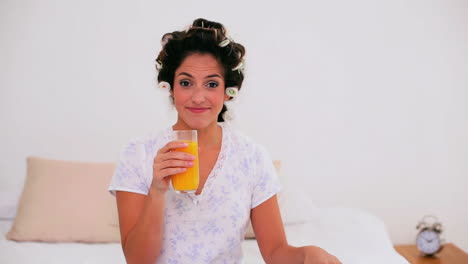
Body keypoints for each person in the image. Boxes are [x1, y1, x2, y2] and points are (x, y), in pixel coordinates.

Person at [108, 18, 342, 264]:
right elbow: (136, 260)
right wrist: (156, 190)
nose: (198, 97)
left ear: (226, 90)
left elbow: (276, 253)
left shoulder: (252, 157)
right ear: (171, 88)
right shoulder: (138, 153)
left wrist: (308, 254)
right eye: (186, 83)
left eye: (211, 84)